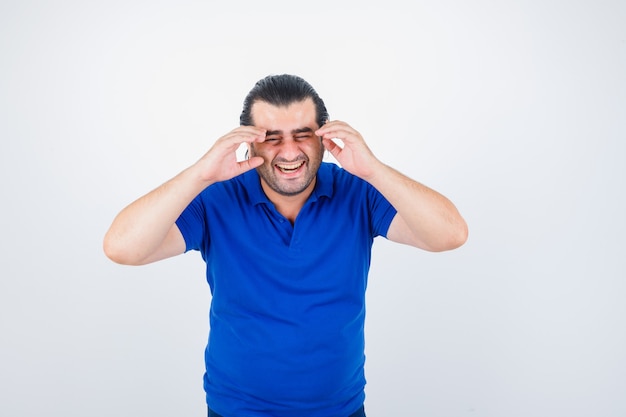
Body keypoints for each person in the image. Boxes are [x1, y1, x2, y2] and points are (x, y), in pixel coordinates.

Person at [103, 74, 468, 417]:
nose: (289, 151)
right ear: (250, 141)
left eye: (303, 134)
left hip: (340, 408)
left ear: (325, 137)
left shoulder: (357, 191)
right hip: (237, 408)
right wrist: (199, 173)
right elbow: (123, 248)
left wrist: (373, 168)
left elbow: (449, 235)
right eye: (273, 137)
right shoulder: (217, 197)